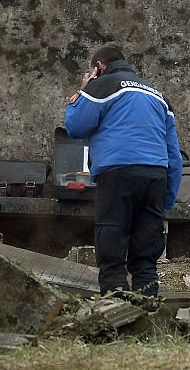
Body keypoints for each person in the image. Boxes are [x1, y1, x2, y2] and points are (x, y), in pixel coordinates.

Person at [65, 45, 183, 297]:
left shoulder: (102, 86)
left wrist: (83, 90)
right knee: (147, 242)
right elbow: (174, 153)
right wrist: (167, 198)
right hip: (155, 174)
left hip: (117, 170)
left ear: (99, 67)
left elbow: (75, 126)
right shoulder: (158, 96)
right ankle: (148, 297)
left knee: (112, 229)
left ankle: (115, 295)